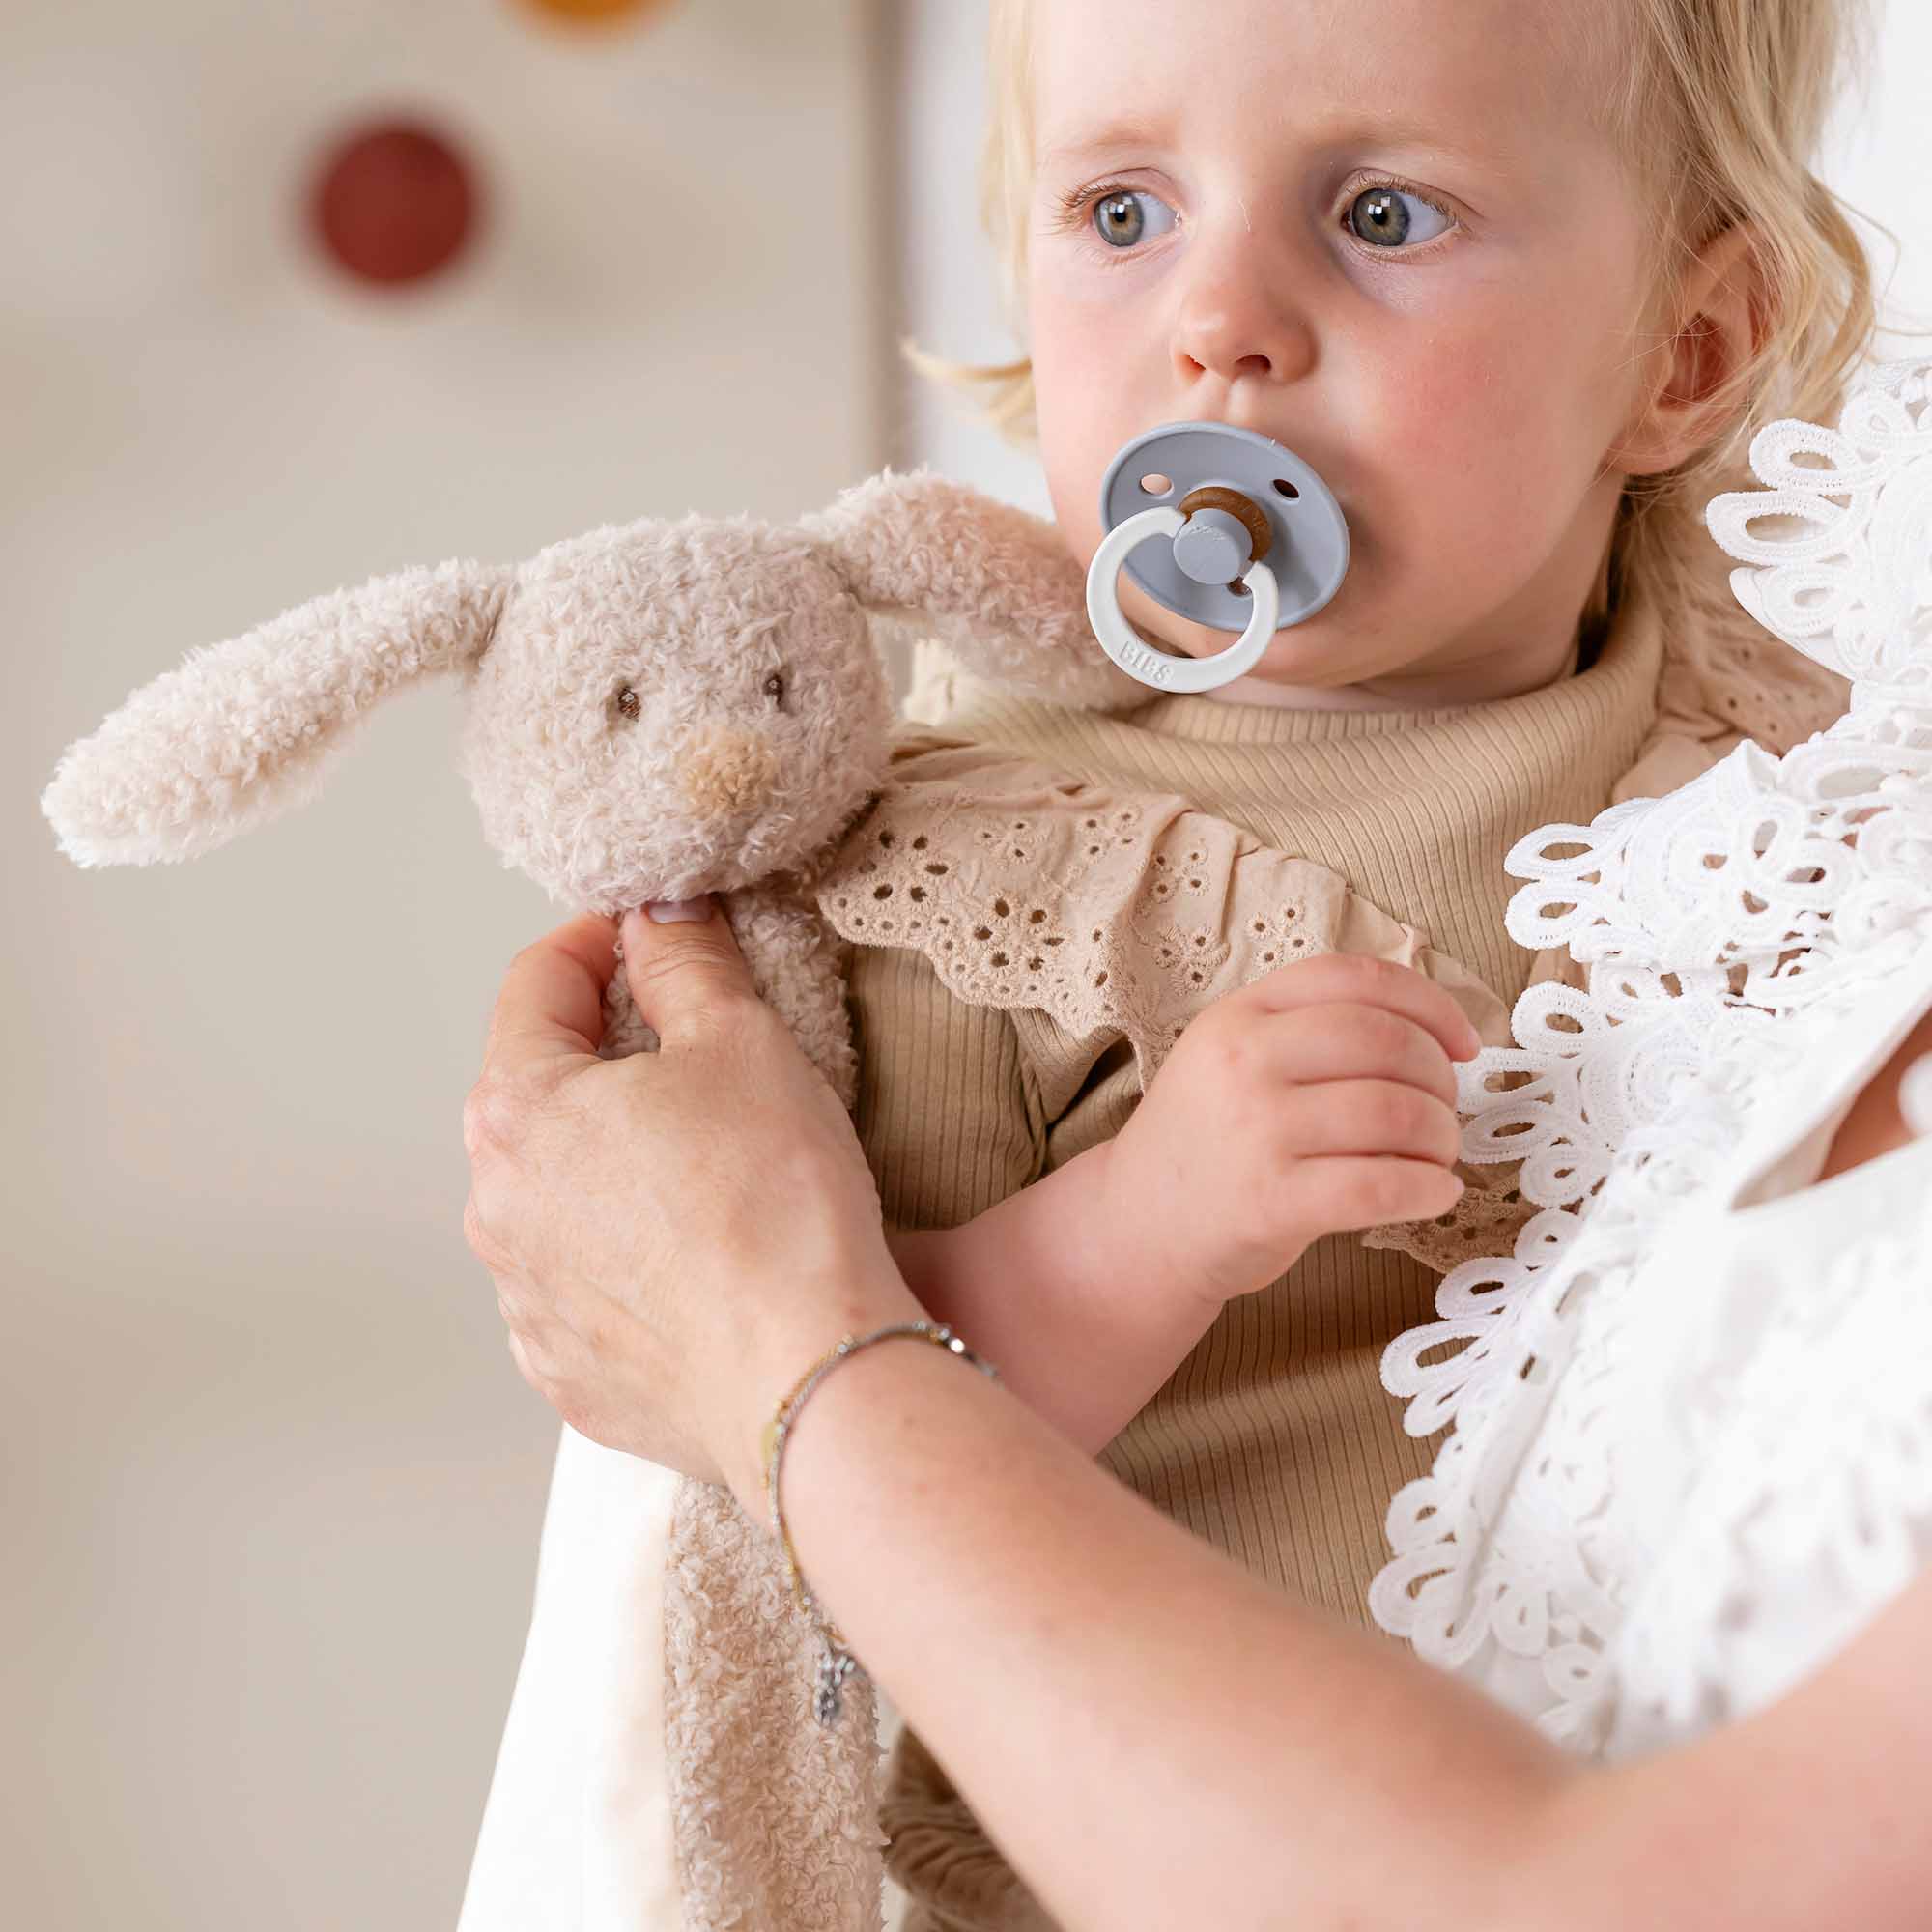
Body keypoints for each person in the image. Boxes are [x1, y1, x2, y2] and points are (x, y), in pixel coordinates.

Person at [473, 0, 1905, 1923]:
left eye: (1383, 215)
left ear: (1685, 352)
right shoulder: (969, 868)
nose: (1220, 320)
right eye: (1123, 214)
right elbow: (785, 1423)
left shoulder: (1775, 753)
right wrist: (1147, 1224)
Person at [462, 884, 1932, 1931]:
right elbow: (909, 1365)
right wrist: (1121, 1232)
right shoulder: (954, 880)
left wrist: (769, 1331)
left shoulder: (1684, 732)